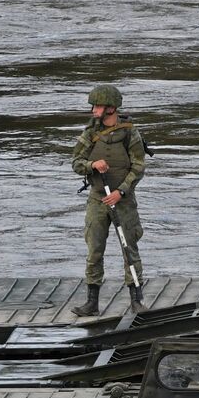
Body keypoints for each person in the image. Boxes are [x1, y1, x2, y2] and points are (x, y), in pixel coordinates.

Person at [71, 84, 147, 315]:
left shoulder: (130, 133)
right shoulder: (90, 134)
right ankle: (92, 303)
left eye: (98, 106)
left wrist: (121, 191)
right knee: (94, 250)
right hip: (97, 199)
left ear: (111, 109)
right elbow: (76, 163)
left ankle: (136, 300)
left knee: (129, 249)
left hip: (123, 200)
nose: (94, 110)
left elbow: (139, 167)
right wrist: (92, 165)